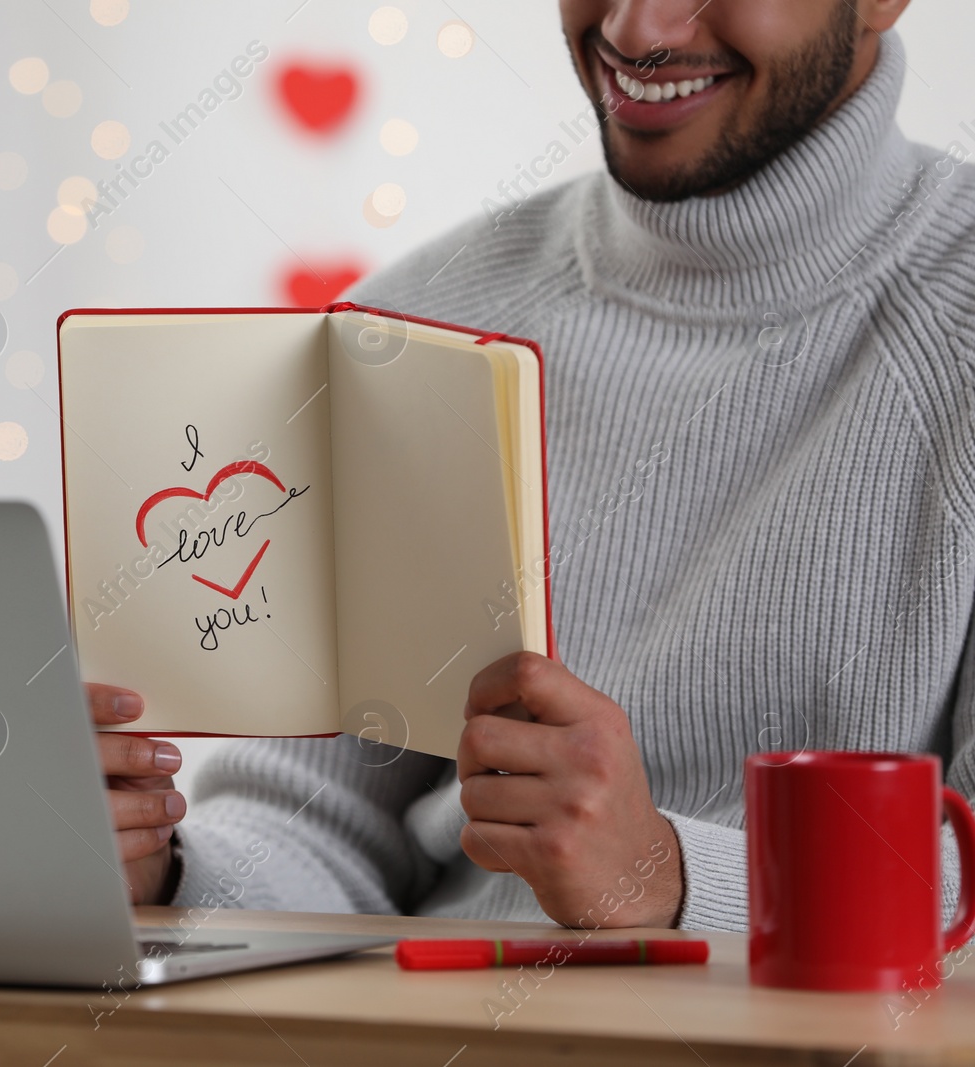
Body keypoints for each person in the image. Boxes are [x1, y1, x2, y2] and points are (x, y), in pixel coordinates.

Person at [87, 0, 975, 930]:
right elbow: (322, 825)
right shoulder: (417, 324)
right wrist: (167, 870)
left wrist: (667, 875)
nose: (637, 33)